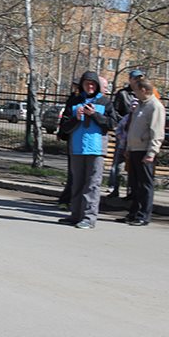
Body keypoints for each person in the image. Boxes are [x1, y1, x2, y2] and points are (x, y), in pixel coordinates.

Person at [57, 71, 118, 229]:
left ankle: (89, 217)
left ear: (97, 85)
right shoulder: (74, 101)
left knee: (92, 184)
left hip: (96, 149)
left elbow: (112, 124)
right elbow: (64, 126)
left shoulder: (105, 102)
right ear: (82, 84)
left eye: (93, 84)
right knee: (77, 183)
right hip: (77, 148)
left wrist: (95, 115)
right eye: (86, 83)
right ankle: (75, 215)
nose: (90, 86)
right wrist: (75, 118)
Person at [122, 79, 165, 226]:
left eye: (136, 91)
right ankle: (133, 213)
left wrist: (152, 152)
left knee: (145, 184)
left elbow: (157, 132)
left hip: (145, 150)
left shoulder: (155, 106)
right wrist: (128, 147)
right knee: (134, 184)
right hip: (134, 148)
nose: (134, 94)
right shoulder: (139, 105)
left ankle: (144, 215)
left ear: (144, 90)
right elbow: (133, 128)